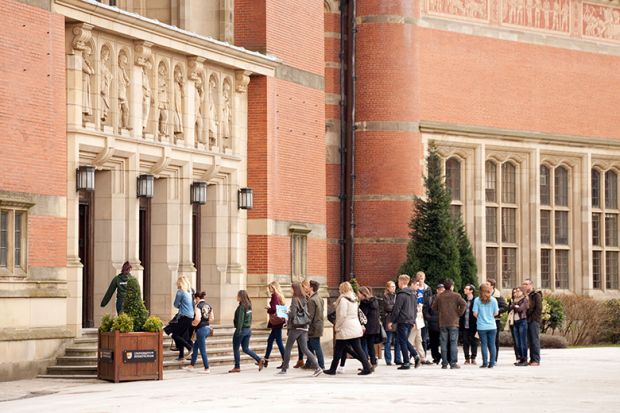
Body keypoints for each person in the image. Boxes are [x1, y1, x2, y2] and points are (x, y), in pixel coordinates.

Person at [323, 281, 373, 375]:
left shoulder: (343, 300)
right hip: (354, 326)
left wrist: (337, 326)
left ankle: (333, 369)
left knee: (339, 350)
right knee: (357, 349)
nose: (338, 290)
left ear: (342, 289)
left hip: (345, 328)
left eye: (339, 289)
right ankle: (367, 367)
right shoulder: (354, 298)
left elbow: (342, 315)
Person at [277, 282, 322, 376]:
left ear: (294, 289)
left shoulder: (295, 299)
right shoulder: (305, 298)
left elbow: (293, 314)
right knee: (305, 349)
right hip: (304, 326)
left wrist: (285, 313)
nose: (290, 289)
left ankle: (284, 369)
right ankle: (318, 367)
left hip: (296, 327)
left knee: (288, 348)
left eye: (291, 288)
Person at [387, 274, 420, 370]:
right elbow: (415, 309)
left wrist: (392, 321)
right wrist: (413, 320)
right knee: (404, 340)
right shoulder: (413, 294)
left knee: (403, 341)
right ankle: (414, 356)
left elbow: (397, 309)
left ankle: (407, 361)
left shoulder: (401, 294)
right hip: (410, 320)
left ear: (401, 282)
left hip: (402, 320)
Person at [432, 278, 466, 369]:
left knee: (443, 343)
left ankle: (444, 363)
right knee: (453, 343)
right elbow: (464, 304)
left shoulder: (440, 296)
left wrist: (442, 311)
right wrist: (458, 313)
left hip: (443, 322)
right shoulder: (456, 295)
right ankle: (453, 363)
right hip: (453, 322)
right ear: (451, 286)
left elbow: (434, 307)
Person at [230, 290, 265, 373]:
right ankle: (259, 359)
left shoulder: (242, 307)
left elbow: (240, 320)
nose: (236, 297)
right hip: (248, 330)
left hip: (241, 330)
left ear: (240, 297)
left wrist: (238, 331)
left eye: (237, 295)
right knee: (245, 348)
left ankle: (237, 367)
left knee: (236, 348)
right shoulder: (249, 305)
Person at [184, 291, 213, 373]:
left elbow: (197, 318)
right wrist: (206, 323)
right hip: (207, 329)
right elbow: (212, 318)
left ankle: (207, 368)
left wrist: (193, 325)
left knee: (202, 350)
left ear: (197, 298)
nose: (194, 301)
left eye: (195, 299)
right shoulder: (208, 306)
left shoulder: (198, 306)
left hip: (200, 330)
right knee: (195, 347)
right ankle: (191, 365)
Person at [473, 283, 499, 368]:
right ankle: (491, 363)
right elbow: (496, 313)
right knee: (492, 344)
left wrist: (481, 317)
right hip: (492, 326)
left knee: (484, 344)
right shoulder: (493, 300)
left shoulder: (477, 300)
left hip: (481, 326)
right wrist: (489, 316)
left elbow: (475, 313)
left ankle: (484, 363)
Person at [263, 281, 286, 368]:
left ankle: (285, 361)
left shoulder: (274, 295)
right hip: (279, 321)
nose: (269, 290)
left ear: (274, 287)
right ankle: (266, 360)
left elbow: (274, 308)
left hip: (276, 322)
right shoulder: (280, 295)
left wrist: (268, 309)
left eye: (270, 288)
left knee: (279, 342)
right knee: (270, 340)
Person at [172, 276, 194, 360]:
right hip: (190, 317)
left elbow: (175, 304)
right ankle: (181, 355)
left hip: (184, 316)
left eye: (177, 283)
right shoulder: (190, 291)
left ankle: (189, 348)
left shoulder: (180, 292)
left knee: (175, 335)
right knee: (182, 335)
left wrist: (181, 305)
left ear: (180, 283)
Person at [358, 286, 381, 368]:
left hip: (366, 327)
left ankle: (366, 364)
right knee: (370, 345)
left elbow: (363, 315)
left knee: (363, 344)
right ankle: (373, 362)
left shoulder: (364, 303)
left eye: (359, 293)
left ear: (362, 293)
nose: (358, 295)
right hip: (374, 327)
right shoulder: (375, 301)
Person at [487, 278, 508, 363]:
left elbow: (505, 307)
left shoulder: (498, 295)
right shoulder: (484, 294)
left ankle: (494, 358)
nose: (486, 285)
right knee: (487, 340)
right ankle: (489, 357)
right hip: (486, 320)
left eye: (487, 284)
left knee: (494, 339)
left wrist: (497, 311)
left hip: (495, 320)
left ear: (492, 286)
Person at [523, 278, 543, 366]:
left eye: (526, 284)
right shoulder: (524, 295)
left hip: (533, 320)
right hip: (526, 320)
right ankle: (531, 359)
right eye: (524, 284)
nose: (524, 286)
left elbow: (538, 308)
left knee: (534, 340)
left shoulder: (536, 295)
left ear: (531, 285)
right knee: (529, 340)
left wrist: (533, 318)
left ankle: (536, 359)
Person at [306, 280, 325, 370]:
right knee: (309, 345)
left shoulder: (312, 300)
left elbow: (310, 316)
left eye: (308, 286)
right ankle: (309, 363)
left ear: (312, 288)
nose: (307, 288)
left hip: (313, 327)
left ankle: (321, 365)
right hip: (319, 325)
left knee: (316, 346)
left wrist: (305, 325)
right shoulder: (320, 298)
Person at [509, 286, 529, 366]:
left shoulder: (525, 300)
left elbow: (520, 309)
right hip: (515, 322)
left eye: (518, 291)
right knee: (517, 342)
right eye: (516, 291)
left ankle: (524, 359)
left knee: (522, 342)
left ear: (522, 292)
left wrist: (514, 307)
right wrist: (514, 306)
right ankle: (520, 358)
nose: (516, 292)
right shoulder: (514, 300)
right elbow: (510, 307)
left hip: (522, 321)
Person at [382, 281, 402, 365]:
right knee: (388, 341)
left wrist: (394, 306)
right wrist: (396, 307)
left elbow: (399, 306)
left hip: (397, 320)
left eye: (394, 286)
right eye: (392, 286)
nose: (394, 288)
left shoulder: (397, 296)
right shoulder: (385, 296)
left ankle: (398, 359)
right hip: (389, 320)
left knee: (398, 341)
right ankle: (388, 359)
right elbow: (387, 307)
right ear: (388, 287)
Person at [423, 283, 443, 364]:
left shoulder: (446, 299)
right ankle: (436, 357)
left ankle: (444, 357)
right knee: (433, 343)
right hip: (432, 325)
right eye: (440, 290)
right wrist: (429, 318)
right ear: (437, 290)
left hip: (442, 324)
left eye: (443, 290)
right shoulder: (431, 299)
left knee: (443, 342)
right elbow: (426, 310)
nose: (442, 291)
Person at [460, 284, 478, 365]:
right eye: (465, 288)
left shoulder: (476, 301)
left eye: (467, 289)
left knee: (474, 342)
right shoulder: (463, 300)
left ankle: (473, 358)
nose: (465, 289)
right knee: (465, 342)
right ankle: (467, 358)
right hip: (464, 325)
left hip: (474, 325)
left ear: (471, 291)